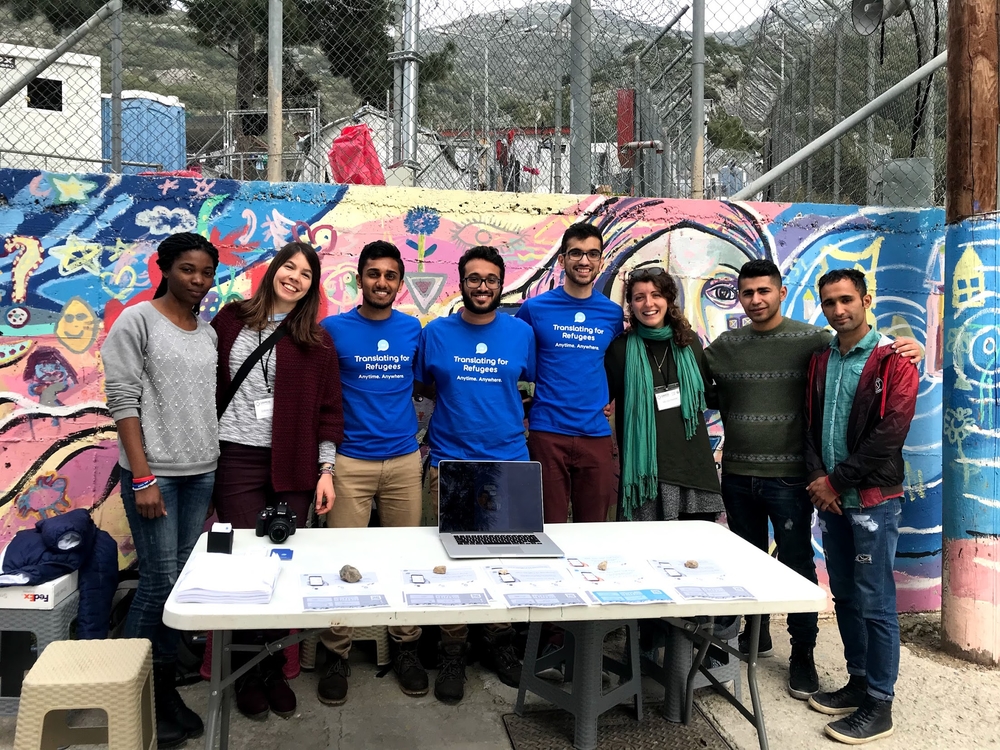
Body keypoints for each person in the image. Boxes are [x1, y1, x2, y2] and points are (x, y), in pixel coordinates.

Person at [704, 259, 923, 701]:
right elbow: (695, 376)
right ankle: (757, 634)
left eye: (764, 291)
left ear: (781, 292)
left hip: (797, 483)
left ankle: (803, 653)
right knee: (750, 564)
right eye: (747, 293)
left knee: (799, 566)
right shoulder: (732, 346)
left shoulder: (815, 340)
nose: (755, 300)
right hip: (744, 475)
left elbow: (883, 412)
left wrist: (912, 346)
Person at [212, 241, 343, 721]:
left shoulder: (316, 339)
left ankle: (271, 667)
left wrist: (326, 470)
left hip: (295, 465)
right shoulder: (230, 321)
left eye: (306, 274)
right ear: (273, 270)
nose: (295, 277)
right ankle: (246, 672)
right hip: (237, 460)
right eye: (289, 266)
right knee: (247, 567)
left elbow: (330, 412)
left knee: (282, 563)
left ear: (312, 285)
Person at [102, 231, 220, 749]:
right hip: (157, 476)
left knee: (181, 584)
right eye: (188, 270)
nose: (198, 280)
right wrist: (144, 476)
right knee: (157, 582)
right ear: (165, 268)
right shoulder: (137, 321)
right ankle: (140, 693)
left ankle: (163, 681)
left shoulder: (208, 332)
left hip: (201, 470)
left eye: (207, 272)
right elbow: (123, 400)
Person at [414, 245, 536, 702]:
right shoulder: (436, 334)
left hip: (508, 461)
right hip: (451, 460)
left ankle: (500, 642)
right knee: (456, 564)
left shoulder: (522, 334)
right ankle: (453, 648)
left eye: (489, 279)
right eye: (473, 278)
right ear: (460, 282)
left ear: (501, 283)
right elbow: (424, 386)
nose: (481, 286)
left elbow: (531, 383)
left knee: (503, 562)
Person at [802, 268, 917, 745]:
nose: (838, 310)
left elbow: (889, 436)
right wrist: (817, 479)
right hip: (833, 501)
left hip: (871, 500)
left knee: (876, 602)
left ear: (865, 300)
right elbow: (809, 425)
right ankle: (857, 680)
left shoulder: (895, 360)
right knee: (846, 595)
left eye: (846, 300)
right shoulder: (821, 359)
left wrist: (834, 481)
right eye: (829, 303)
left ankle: (879, 702)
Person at [317, 241, 426, 705]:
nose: (382, 282)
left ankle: (406, 648)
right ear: (357, 278)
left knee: (405, 561)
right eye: (373, 273)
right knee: (345, 564)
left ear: (400, 285)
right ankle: (336, 653)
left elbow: (425, 384)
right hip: (350, 463)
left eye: (390, 276)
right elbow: (320, 399)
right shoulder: (331, 330)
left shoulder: (412, 330)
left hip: (403, 461)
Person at [515, 223, 623, 523]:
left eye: (592, 254)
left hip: (596, 434)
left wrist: (609, 396)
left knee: (593, 528)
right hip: (547, 433)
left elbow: (614, 363)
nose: (584, 261)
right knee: (547, 527)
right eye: (575, 253)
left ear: (601, 261)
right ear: (561, 260)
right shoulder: (534, 309)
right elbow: (515, 360)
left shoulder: (612, 314)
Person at [604, 267, 722, 523]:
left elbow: (709, 394)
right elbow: (602, 398)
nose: (649, 303)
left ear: (668, 300)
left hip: (693, 470)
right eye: (639, 297)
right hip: (645, 476)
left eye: (656, 294)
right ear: (631, 305)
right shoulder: (620, 350)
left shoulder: (689, 343)